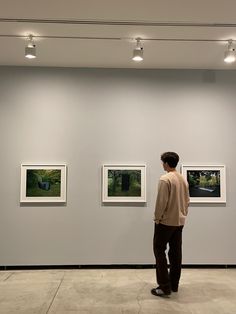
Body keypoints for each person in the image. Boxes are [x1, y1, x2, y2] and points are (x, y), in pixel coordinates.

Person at [151, 152, 189, 297]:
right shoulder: (182, 179)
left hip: (166, 222)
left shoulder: (165, 179)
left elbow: (161, 202)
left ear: (166, 163)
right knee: (176, 253)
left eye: (162, 162)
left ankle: (164, 286)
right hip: (179, 222)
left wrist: (157, 218)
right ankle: (174, 285)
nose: (162, 164)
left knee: (159, 250)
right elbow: (187, 201)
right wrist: (183, 215)